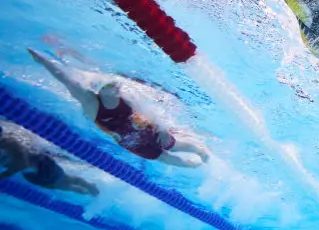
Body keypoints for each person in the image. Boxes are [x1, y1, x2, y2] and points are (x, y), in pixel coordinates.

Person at [28, 49, 210, 167]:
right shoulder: (91, 103)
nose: (117, 92)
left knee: (175, 146)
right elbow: (67, 80)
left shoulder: (128, 98)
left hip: (146, 130)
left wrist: (162, 129)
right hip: (132, 142)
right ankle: (191, 165)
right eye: (113, 91)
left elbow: (152, 112)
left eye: (116, 91)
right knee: (165, 158)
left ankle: (199, 151)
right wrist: (44, 62)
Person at [0, 121, 99, 196]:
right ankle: (88, 187)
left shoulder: (10, 143)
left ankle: (89, 187)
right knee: (62, 183)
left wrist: (4, 174)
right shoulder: (6, 143)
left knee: (65, 183)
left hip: (43, 168)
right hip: (35, 171)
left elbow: (23, 163)